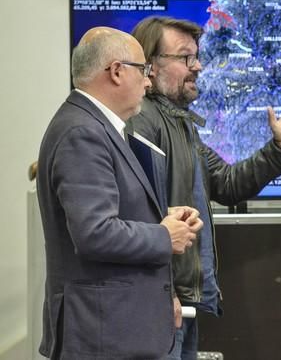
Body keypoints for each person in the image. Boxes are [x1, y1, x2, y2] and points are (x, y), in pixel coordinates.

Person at [128, 15, 281, 359]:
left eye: (196, 56)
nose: (197, 66)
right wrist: (161, 292)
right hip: (160, 305)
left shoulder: (182, 125)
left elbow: (228, 184)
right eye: (185, 57)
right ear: (150, 67)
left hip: (180, 302)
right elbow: (140, 218)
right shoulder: (142, 121)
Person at [36, 27, 203, 359]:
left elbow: (109, 214)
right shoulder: (83, 132)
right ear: (115, 71)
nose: (148, 82)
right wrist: (163, 236)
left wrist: (161, 219)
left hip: (115, 330)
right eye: (142, 70)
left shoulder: (94, 126)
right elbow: (94, 233)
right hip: (102, 336)